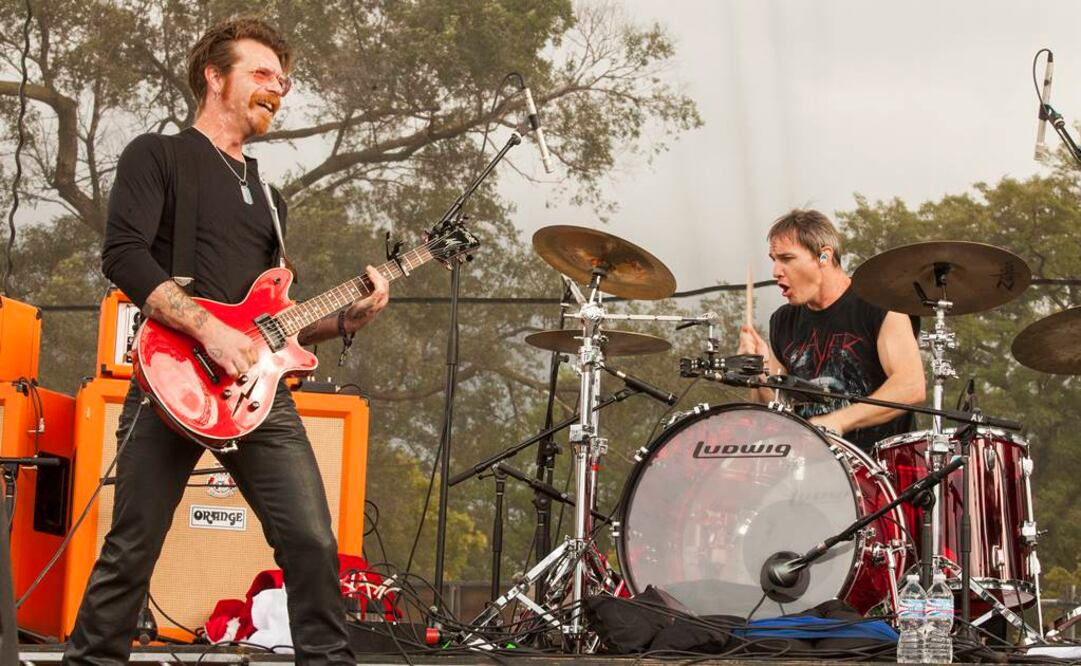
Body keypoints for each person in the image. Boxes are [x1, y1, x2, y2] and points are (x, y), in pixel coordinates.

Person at [64, 17, 387, 665]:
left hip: (256, 397)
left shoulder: (270, 199)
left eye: (283, 79)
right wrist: (207, 330)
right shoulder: (158, 157)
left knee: (313, 543)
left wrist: (346, 318)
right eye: (262, 74)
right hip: (173, 377)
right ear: (215, 77)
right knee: (133, 547)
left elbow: (276, 320)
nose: (279, 88)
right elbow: (124, 256)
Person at [738, 209, 925, 451]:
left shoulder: (879, 304)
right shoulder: (783, 321)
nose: (776, 272)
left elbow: (911, 386)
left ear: (823, 256)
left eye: (787, 259)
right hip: (811, 469)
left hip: (878, 473)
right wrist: (757, 370)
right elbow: (774, 407)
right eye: (774, 260)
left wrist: (838, 421)